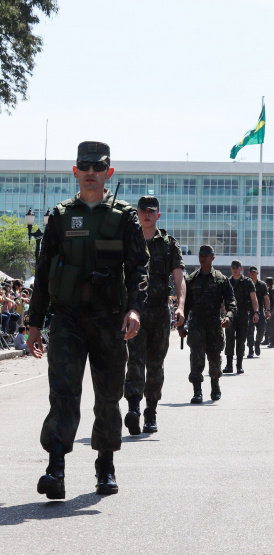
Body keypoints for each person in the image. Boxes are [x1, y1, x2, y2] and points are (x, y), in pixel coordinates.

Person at [28, 141, 149, 499]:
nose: (91, 172)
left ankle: (105, 466)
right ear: (76, 171)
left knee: (108, 396)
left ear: (108, 172)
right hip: (67, 319)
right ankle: (56, 468)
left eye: (98, 167)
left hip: (109, 319)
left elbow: (139, 268)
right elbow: (44, 269)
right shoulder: (60, 216)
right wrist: (34, 324)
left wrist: (135, 309)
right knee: (63, 393)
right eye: (85, 166)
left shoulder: (124, 216)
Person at [124, 195, 186, 435]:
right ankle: (134, 409)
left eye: (152, 211)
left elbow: (179, 278)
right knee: (135, 360)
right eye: (143, 210)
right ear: (138, 213)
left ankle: (151, 410)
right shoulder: (129, 241)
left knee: (155, 364)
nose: (147, 214)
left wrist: (180, 306)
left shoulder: (169, 244)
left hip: (160, 311)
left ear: (158, 215)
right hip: (135, 311)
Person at [180, 245, 237, 404]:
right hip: (197, 323)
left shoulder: (221, 279)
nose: (202, 257)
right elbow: (185, 305)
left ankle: (215, 385)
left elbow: (231, 302)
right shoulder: (191, 279)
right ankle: (197, 392)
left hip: (214, 323)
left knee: (214, 357)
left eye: (206, 255)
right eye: (200, 255)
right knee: (196, 358)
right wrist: (181, 325)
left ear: (212, 257)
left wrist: (228, 317)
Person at [225, 260, 258, 374]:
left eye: (237, 267)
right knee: (229, 338)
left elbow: (254, 299)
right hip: (230, 315)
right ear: (231, 269)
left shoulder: (248, 282)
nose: (235, 269)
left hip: (243, 314)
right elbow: (222, 299)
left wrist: (256, 312)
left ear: (241, 268)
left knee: (241, 339)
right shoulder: (227, 282)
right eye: (233, 267)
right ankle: (229, 365)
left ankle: (239, 365)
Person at [247, 266, 269, 357]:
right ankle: (251, 349)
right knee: (249, 330)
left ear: (257, 273)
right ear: (249, 273)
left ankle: (257, 343)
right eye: (251, 272)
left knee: (261, 329)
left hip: (259, 310)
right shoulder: (246, 284)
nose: (253, 273)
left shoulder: (262, 285)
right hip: (249, 310)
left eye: (254, 272)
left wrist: (268, 310)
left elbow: (266, 298)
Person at [264, 277, 274, 347]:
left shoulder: (273, 290)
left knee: (272, 326)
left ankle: (273, 342)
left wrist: (272, 311)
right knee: (267, 326)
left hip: (272, 311)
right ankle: (267, 340)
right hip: (268, 310)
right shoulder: (269, 289)